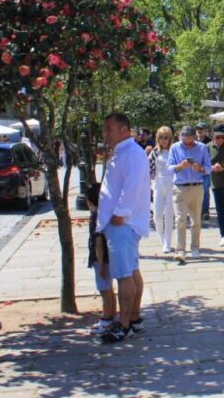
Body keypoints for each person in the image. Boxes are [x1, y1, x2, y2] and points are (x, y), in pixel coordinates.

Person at [96, 112, 150, 344]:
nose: (106, 133)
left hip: (123, 224)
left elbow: (133, 185)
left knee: (124, 275)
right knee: (132, 271)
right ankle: (134, 317)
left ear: (124, 129)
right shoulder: (123, 152)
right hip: (121, 223)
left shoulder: (132, 154)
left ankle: (125, 322)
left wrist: (121, 212)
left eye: (109, 128)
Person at [168, 125, 212, 262]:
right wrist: (180, 166)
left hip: (196, 187)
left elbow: (209, 168)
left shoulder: (201, 147)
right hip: (179, 187)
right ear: (180, 136)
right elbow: (169, 168)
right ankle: (180, 250)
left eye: (190, 140)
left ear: (194, 137)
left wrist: (200, 168)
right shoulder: (175, 147)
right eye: (184, 139)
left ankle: (195, 247)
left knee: (195, 221)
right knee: (180, 220)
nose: (187, 143)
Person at [85, 181, 117, 336]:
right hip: (109, 257)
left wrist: (100, 264)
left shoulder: (95, 218)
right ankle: (112, 315)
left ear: (89, 201)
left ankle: (107, 318)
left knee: (104, 289)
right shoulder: (106, 215)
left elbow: (97, 242)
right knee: (110, 288)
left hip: (101, 260)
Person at [148, 126, 175, 253]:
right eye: (161, 138)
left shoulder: (174, 151)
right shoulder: (154, 152)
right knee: (157, 215)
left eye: (166, 138)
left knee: (169, 215)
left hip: (172, 184)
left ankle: (168, 242)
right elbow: (148, 169)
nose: (164, 140)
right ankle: (161, 237)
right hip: (158, 183)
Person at [196, 122, 212, 222]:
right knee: (195, 191)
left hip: (205, 170)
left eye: (201, 128)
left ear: (205, 130)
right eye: (198, 128)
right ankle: (196, 210)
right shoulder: (192, 141)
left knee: (205, 191)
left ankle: (205, 212)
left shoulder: (209, 142)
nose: (199, 130)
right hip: (194, 170)